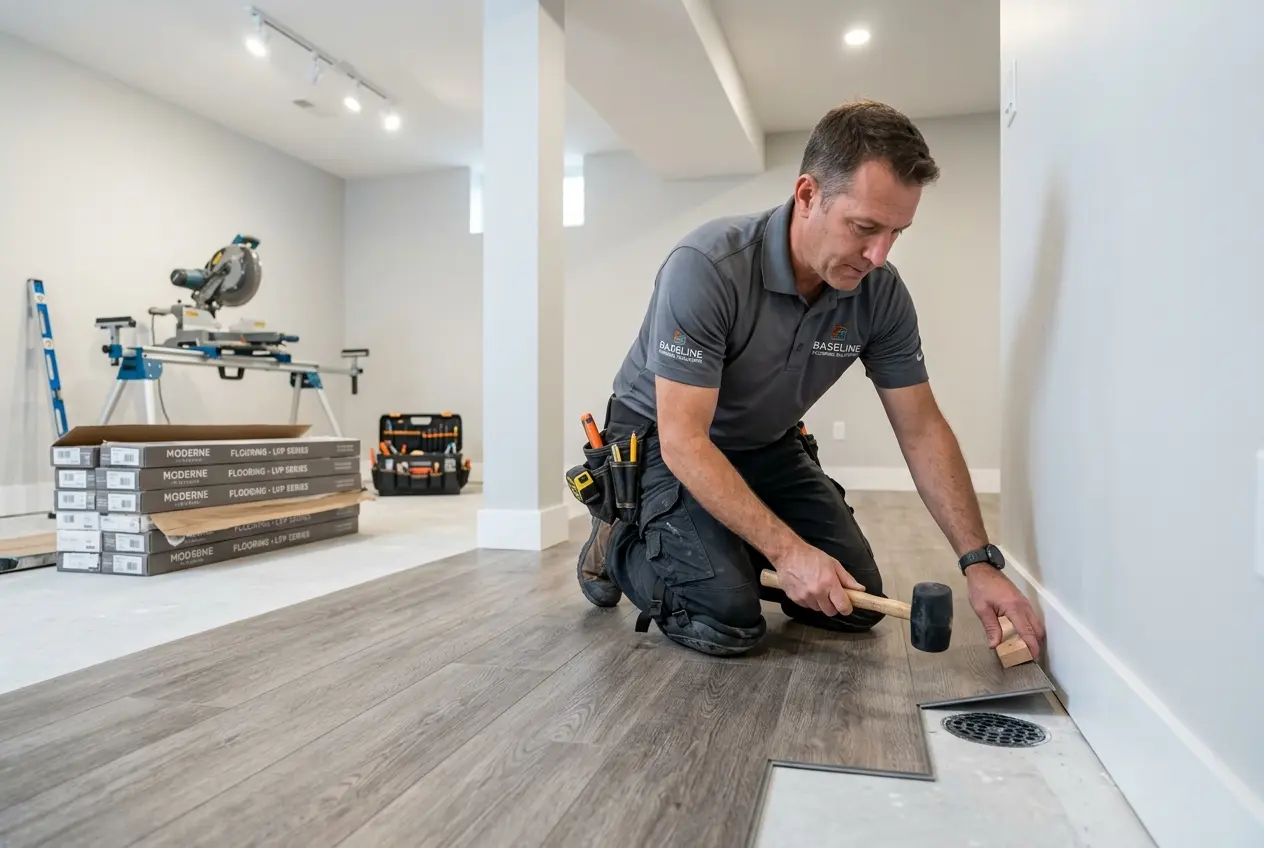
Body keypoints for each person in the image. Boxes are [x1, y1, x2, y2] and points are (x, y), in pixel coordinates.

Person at [573, 99, 1045, 661]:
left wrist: (978, 562)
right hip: (661, 440)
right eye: (864, 227)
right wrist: (788, 553)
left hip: (763, 442)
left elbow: (921, 430)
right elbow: (684, 441)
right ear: (807, 195)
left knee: (855, 604)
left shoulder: (880, 294)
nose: (878, 255)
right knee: (725, 617)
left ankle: (719, 544)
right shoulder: (708, 266)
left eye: (896, 232)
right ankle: (621, 536)